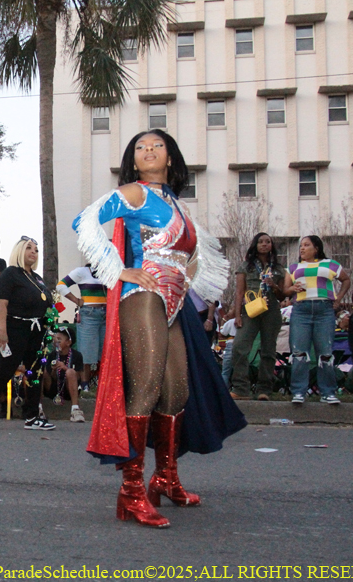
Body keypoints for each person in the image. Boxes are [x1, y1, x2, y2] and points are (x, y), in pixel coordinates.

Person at [72, 130, 245, 528]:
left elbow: (199, 257)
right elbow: (84, 221)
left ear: (170, 157)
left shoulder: (178, 205)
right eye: (140, 148)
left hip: (174, 303)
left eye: (157, 146)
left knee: (176, 392)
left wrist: (190, 285)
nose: (148, 151)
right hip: (142, 297)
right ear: (133, 162)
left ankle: (165, 478)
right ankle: (130, 493)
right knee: (146, 387)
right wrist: (119, 270)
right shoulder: (135, 194)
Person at [0, 237, 55, 432]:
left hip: (36, 332)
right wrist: (2, 332)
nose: (33, 252)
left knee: (34, 373)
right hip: (14, 329)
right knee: (5, 371)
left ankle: (32, 416)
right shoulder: (10, 274)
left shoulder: (37, 278)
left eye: (36, 249)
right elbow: (1, 304)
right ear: (19, 251)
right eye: (29, 248)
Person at [282, 235, 351, 405]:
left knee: (325, 353)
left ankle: (328, 392)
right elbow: (285, 290)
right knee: (299, 353)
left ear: (316, 248)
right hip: (301, 311)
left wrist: (339, 298)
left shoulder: (331, 264)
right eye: (301, 246)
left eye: (306, 245)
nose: (302, 249)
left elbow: (346, 280)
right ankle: (299, 391)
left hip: (325, 310)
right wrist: (292, 288)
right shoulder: (293, 267)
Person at [228, 233, 286, 401]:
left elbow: (282, 296)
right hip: (250, 310)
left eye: (268, 242)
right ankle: (240, 388)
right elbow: (239, 292)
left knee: (268, 350)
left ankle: (264, 389)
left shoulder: (278, 268)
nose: (264, 245)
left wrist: (273, 285)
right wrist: (237, 315)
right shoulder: (246, 266)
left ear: (272, 245)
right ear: (255, 245)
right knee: (239, 347)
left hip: (271, 310)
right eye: (260, 242)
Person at [56, 264, 105, 392]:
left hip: (107, 314)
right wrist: (77, 300)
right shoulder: (82, 271)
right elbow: (61, 285)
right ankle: (84, 386)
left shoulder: (109, 269)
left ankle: (102, 384)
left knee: (105, 351)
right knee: (86, 352)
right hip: (89, 313)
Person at [42, 327, 85, 423]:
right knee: (42, 371)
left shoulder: (77, 355)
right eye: (55, 339)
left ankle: (75, 410)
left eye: (59, 339)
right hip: (53, 389)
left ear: (68, 342)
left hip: (69, 389)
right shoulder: (52, 355)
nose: (56, 342)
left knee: (70, 372)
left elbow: (78, 376)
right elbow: (50, 377)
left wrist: (65, 368)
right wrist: (53, 370)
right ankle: (38, 408)